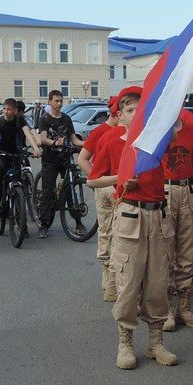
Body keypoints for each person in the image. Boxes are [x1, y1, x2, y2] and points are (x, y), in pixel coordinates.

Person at [88, 88, 176, 370]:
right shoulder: (112, 141)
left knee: (158, 282)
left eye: (141, 109)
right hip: (129, 216)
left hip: (158, 216)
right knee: (128, 283)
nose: (136, 114)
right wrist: (121, 179)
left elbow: (176, 130)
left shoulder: (156, 141)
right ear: (120, 115)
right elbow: (93, 180)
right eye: (129, 110)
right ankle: (125, 342)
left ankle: (155, 341)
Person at [161, 114, 193, 331]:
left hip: (188, 190)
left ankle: (183, 307)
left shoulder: (192, 132)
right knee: (167, 251)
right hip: (165, 190)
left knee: (188, 251)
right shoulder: (157, 129)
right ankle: (168, 309)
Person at [78, 97, 123, 301]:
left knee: (112, 232)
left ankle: (112, 278)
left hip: (112, 185)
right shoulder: (100, 132)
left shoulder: (103, 132)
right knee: (109, 232)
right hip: (109, 186)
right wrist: (99, 179)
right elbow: (82, 159)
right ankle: (110, 275)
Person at [34, 90, 83, 239]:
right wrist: (54, 143)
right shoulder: (44, 118)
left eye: (61, 101)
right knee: (48, 192)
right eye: (56, 101)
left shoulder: (67, 119)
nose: (59, 104)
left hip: (65, 159)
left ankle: (78, 222)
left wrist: (89, 144)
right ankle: (44, 224)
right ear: (50, 102)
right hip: (50, 160)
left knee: (70, 191)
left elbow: (74, 140)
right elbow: (43, 139)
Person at [0, 98, 40, 214]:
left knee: (17, 179)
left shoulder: (19, 120)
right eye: (4, 109)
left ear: (15, 111)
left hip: (15, 154)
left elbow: (28, 134)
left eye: (9, 109)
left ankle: (17, 209)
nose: (5, 112)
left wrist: (36, 148)